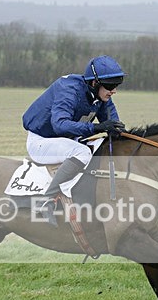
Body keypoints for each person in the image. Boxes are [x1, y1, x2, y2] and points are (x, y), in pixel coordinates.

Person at [22, 55, 126, 226]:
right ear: (94, 83)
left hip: (68, 140)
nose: (114, 90)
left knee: (103, 145)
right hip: (41, 141)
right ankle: (46, 200)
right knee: (82, 152)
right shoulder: (68, 90)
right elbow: (60, 124)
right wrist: (96, 128)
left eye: (117, 85)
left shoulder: (101, 95)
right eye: (111, 86)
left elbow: (113, 124)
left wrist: (119, 132)